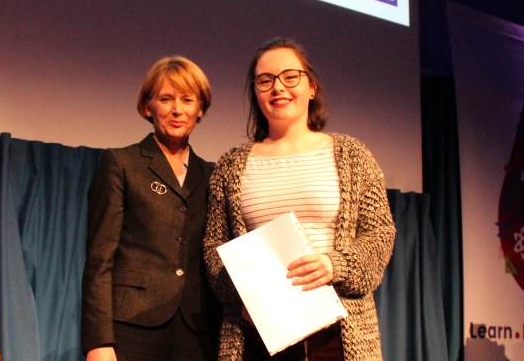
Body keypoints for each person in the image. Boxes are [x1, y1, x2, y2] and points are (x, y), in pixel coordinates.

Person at [204, 38, 395, 361]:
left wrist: (336, 265)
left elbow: (380, 236)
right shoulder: (231, 166)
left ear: (312, 87)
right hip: (257, 334)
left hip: (337, 334)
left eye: (290, 76)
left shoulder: (353, 155)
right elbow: (213, 250)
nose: (278, 87)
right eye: (265, 81)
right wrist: (244, 298)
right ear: (256, 93)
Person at [81, 56, 216, 361]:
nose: (177, 109)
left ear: (200, 109)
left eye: (187, 99)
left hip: (196, 329)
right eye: (166, 99)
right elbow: (99, 261)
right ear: (147, 107)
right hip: (131, 325)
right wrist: (98, 342)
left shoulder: (211, 177)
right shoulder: (121, 163)